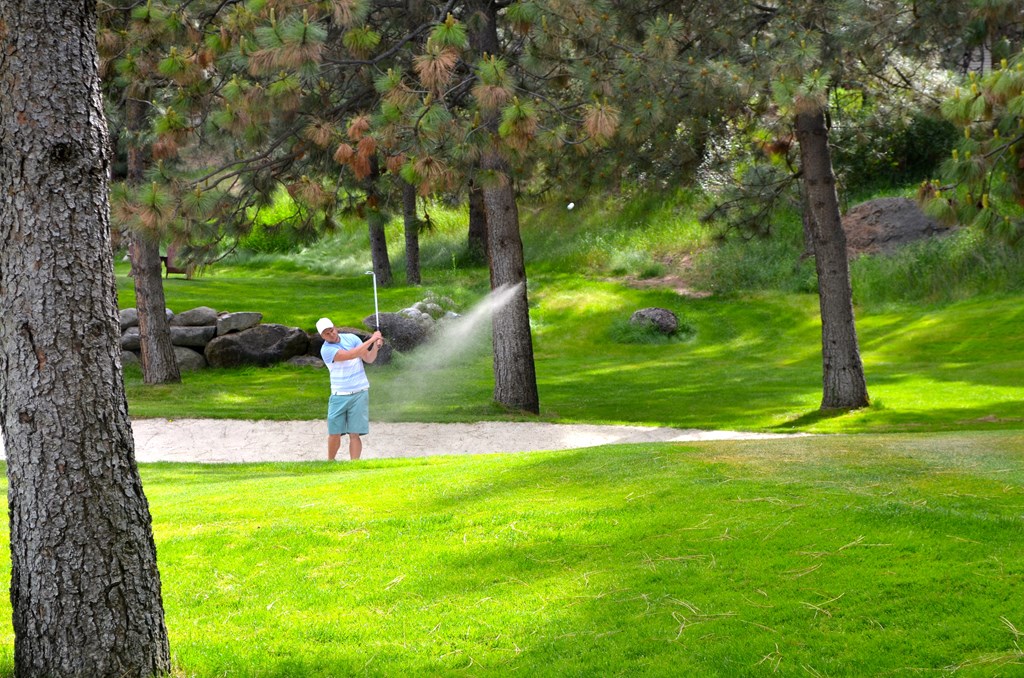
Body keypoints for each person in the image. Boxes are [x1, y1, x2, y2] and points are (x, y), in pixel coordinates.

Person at [316, 317, 383, 461]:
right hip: (339, 395)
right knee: (334, 433)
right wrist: (371, 340)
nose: (331, 334)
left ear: (335, 327)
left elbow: (369, 359)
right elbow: (350, 355)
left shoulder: (352, 338)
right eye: (327, 333)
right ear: (322, 336)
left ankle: (354, 465)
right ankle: (330, 462)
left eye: (332, 330)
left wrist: (376, 346)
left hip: (360, 392)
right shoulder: (326, 350)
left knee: (355, 433)